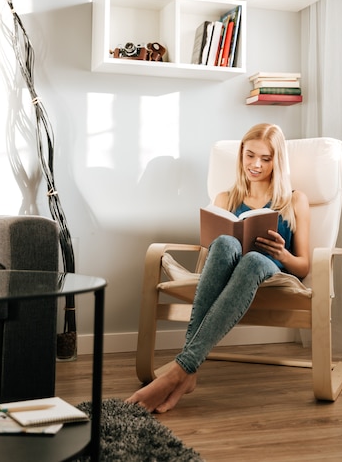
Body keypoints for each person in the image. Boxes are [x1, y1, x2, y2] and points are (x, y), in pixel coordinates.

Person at [126, 123, 310, 413]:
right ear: (241, 155)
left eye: (266, 158)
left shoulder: (294, 200)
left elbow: (304, 266)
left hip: (270, 271)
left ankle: (182, 369)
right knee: (225, 244)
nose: (256, 165)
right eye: (250, 155)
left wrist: (282, 253)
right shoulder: (226, 198)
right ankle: (189, 371)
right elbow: (214, 252)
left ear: (278, 161)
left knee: (252, 260)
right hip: (229, 271)